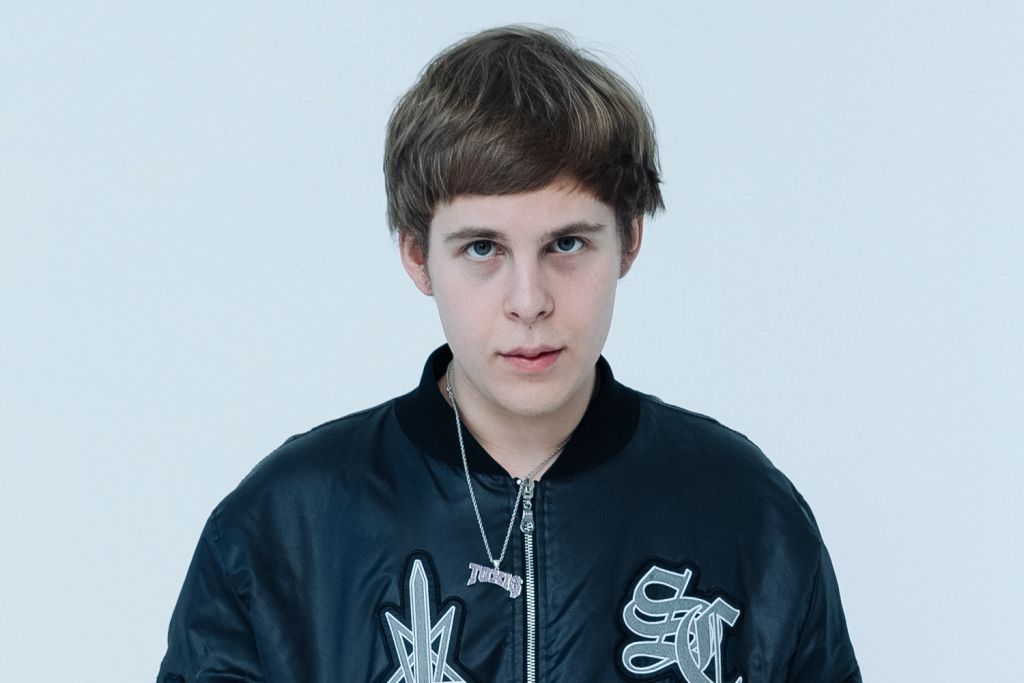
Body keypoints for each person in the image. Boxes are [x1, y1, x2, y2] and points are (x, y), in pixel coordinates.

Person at [158, 26, 860, 683]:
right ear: (417, 257)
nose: (529, 301)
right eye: (482, 248)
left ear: (628, 241)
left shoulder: (744, 510)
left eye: (567, 244)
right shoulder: (285, 529)